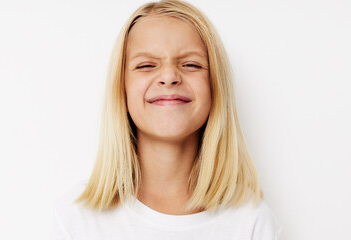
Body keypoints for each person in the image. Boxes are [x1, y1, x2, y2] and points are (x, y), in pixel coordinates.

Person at [52, 0, 282, 239]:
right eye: (146, 65)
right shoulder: (76, 219)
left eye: (191, 64)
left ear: (215, 87)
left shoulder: (251, 221)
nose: (169, 76)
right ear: (122, 89)